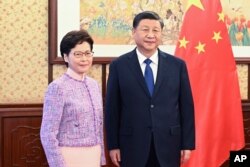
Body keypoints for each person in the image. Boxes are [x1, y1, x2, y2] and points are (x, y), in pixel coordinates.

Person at [105, 11, 195, 167]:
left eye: (155, 30)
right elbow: (112, 109)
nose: (151, 35)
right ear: (134, 32)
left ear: (161, 34)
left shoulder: (177, 66)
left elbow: (186, 107)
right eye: (145, 30)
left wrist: (187, 144)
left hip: (169, 144)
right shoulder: (119, 66)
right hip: (132, 145)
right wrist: (113, 145)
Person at [40, 30, 106, 167]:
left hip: (93, 155)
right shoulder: (57, 87)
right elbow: (47, 133)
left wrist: (101, 158)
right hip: (69, 157)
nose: (84, 59)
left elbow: (99, 126)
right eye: (78, 54)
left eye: (88, 53)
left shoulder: (94, 85)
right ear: (65, 57)